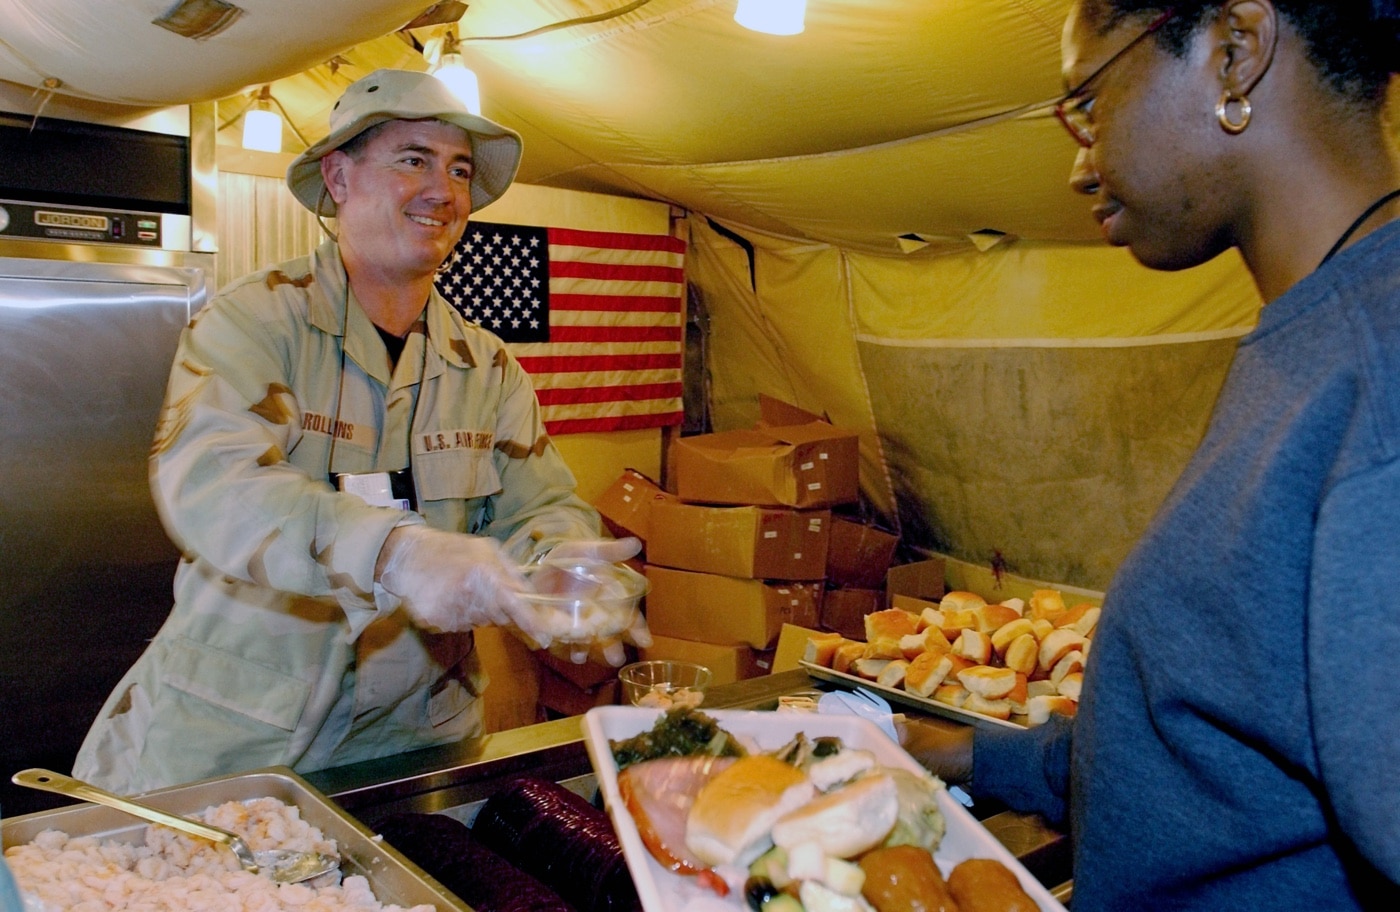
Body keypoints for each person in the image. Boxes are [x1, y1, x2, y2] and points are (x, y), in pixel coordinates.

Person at [906, 1, 1400, 907]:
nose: (1076, 165)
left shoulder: (1380, 384)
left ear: (1235, 51)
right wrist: (973, 754)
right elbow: (1213, 731)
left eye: (1088, 103)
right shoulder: (1307, 344)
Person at [74, 69, 648, 795]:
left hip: (413, 749)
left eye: (460, 168)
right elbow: (215, 483)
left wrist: (565, 562)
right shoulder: (254, 323)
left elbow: (539, 504)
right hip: (233, 741)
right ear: (338, 177)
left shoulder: (487, 365)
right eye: (414, 158)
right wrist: (394, 553)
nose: (445, 189)